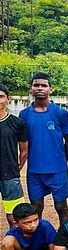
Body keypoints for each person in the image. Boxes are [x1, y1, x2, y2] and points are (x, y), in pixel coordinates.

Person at [19, 73, 68, 222]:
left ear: (51, 89)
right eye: (36, 85)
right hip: (34, 171)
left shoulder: (60, 113)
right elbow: (22, 143)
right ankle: (38, 241)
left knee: (61, 207)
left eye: (44, 85)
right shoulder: (24, 115)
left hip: (57, 170)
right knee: (35, 208)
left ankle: (65, 241)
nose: (40, 88)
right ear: (31, 89)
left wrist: (62, 161)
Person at [0, 84, 27, 227]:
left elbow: (24, 150)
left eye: (1, 97)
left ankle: (15, 246)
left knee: (14, 218)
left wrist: (17, 168)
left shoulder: (17, 123)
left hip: (10, 176)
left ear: (8, 98)